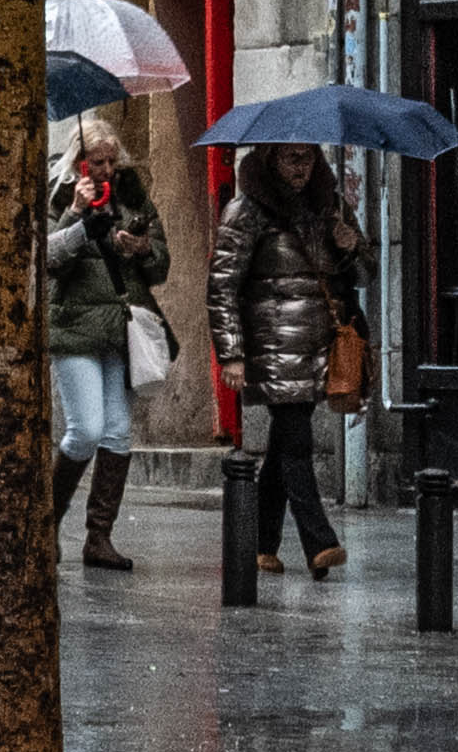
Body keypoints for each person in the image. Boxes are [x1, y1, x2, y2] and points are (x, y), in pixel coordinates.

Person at [206, 143, 359, 582]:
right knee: (296, 443)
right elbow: (221, 286)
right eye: (292, 159)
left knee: (281, 447)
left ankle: (260, 544)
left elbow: (362, 274)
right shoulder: (247, 209)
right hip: (273, 345)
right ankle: (320, 541)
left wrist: (350, 248)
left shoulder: (330, 204)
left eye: (308, 158)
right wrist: (231, 353)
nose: (301, 168)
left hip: (318, 346)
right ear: (272, 159)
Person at [43, 124, 170, 572]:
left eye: (112, 161)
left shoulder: (131, 194)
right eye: (98, 162)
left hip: (119, 326)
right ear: (80, 161)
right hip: (74, 326)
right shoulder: (58, 194)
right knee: (86, 430)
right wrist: (76, 213)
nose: (107, 170)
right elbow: (47, 258)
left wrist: (140, 248)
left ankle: (99, 537)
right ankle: (46, 525)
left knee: (118, 432)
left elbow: (162, 265)